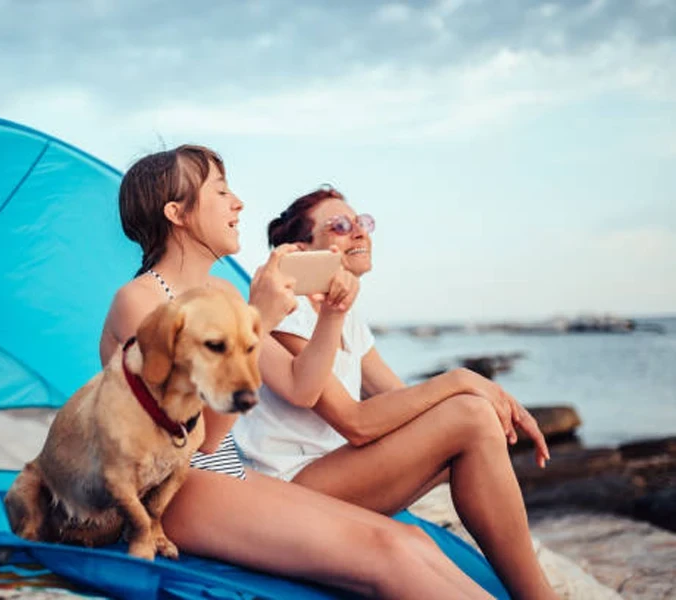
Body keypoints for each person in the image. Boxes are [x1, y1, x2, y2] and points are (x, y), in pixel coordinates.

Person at [98, 145, 507, 599]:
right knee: (383, 553)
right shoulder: (140, 302)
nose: (238, 203)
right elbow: (200, 438)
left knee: (408, 539)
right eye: (221, 191)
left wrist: (332, 315)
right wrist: (262, 319)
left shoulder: (222, 293)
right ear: (177, 212)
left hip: (226, 474)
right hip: (175, 487)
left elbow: (301, 385)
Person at [232, 185, 557, 599]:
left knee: (472, 423)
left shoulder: (343, 317)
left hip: (334, 473)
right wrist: (462, 379)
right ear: (301, 250)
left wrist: (487, 400)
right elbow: (356, 423)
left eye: (362, 223)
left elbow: (410, 409)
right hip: (288, 487)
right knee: (470, 417)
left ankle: (531, 588)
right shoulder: (288, 312)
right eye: (340, 226)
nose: (359, 234)